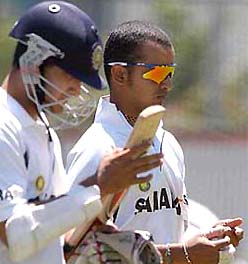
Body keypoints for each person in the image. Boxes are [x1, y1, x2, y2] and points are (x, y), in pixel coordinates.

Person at [66, 20, 243, 263]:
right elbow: (75, 252)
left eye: (170, 73)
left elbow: (167, 230)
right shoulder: (98, 149)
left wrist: (207, 240)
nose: (167, 84)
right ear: (120, 74)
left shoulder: (168, 142)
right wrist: (182, 255)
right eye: (157, 73)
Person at [0, 4, 163, 264]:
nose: (76, 90)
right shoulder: (3, 127)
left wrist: (91, 238)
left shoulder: (43, 132)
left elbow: (51, 237)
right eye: (69, 75)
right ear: (32, 60)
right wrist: (98, 185)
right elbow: (12, 235)